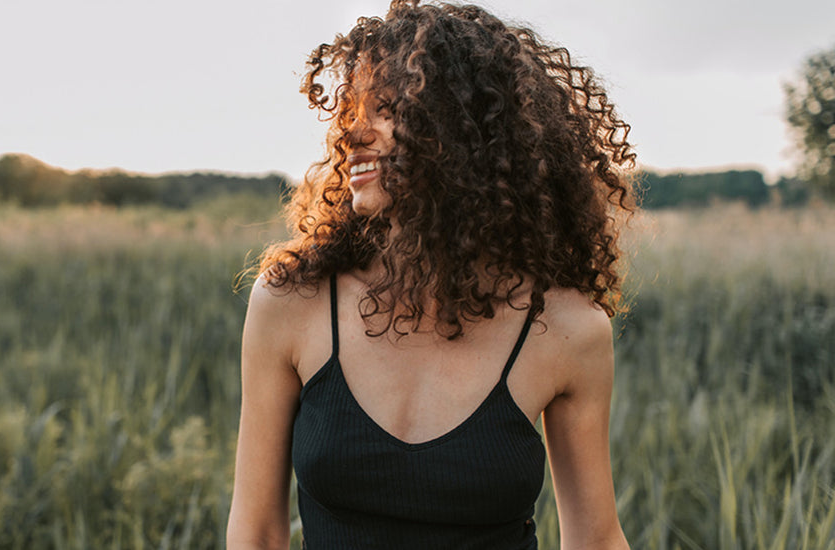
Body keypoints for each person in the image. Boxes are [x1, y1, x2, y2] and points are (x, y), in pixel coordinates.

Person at [227, 1, 635, 548]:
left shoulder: (566, 329)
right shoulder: (291, 302)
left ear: (464, 132)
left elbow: (596, 540)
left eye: (388, 109)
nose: (353, 133)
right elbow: (255, 532)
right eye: (352, 110)